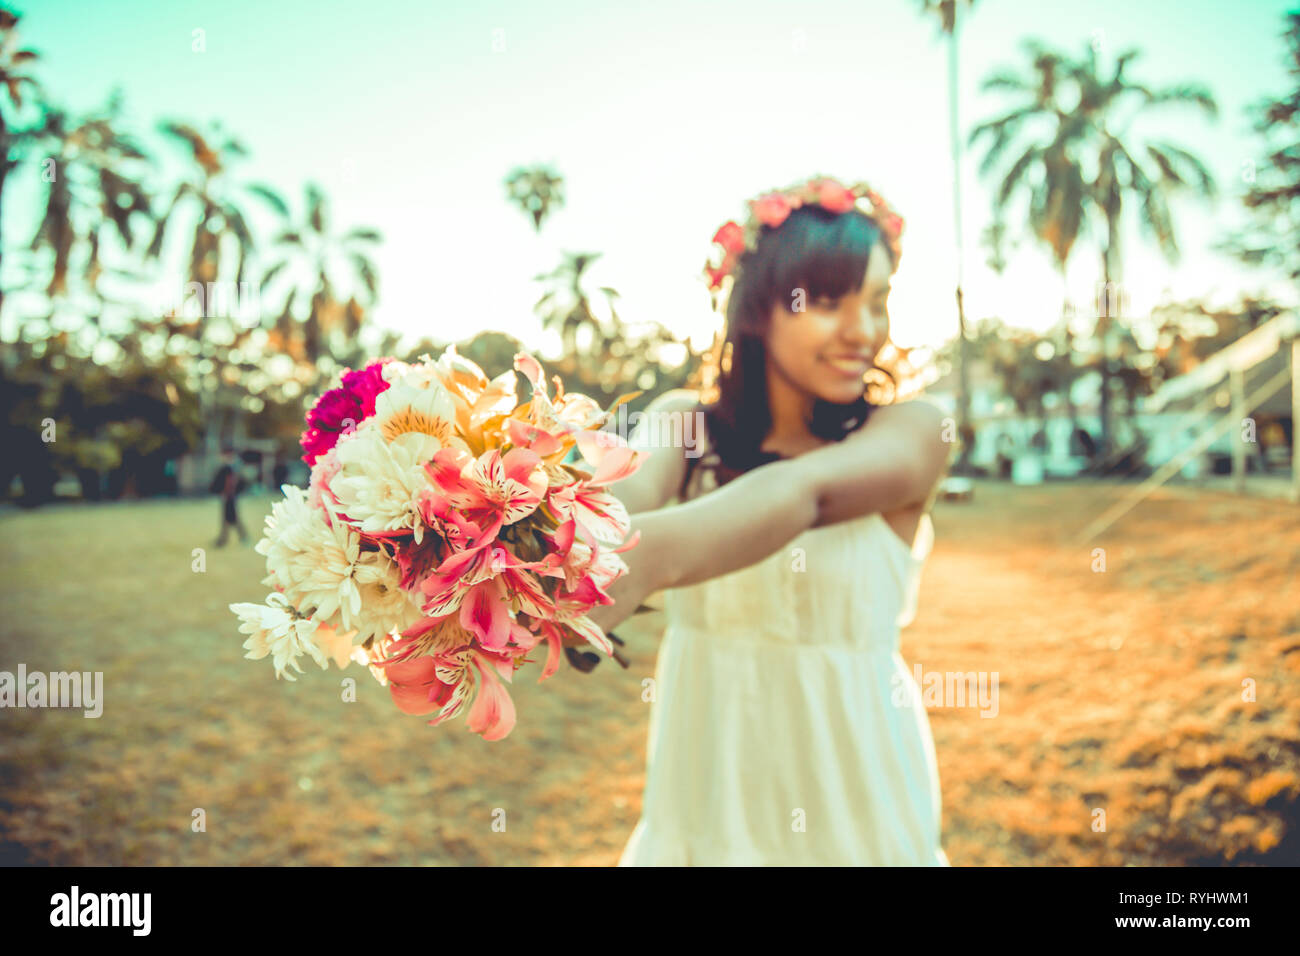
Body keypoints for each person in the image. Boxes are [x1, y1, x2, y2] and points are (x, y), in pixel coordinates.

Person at [571, 176, 953, 865]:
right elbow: (615, 500)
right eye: (830, 302)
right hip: (709, 792)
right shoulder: (684, 422)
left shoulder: (917, 429)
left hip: (854, 793)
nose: (862, 330)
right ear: (759, 308)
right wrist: (529, 543)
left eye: (878, 302)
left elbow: (802, 491)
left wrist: (644, 557)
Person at [210, 447, 249, 547]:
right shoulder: (231, 466)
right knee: (228, 518)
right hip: (230, 496)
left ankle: (241, 537)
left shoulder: (230, 467)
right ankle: (224, 539)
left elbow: (230, 482)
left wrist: (227, 493)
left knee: (232, 518)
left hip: (229, 496)